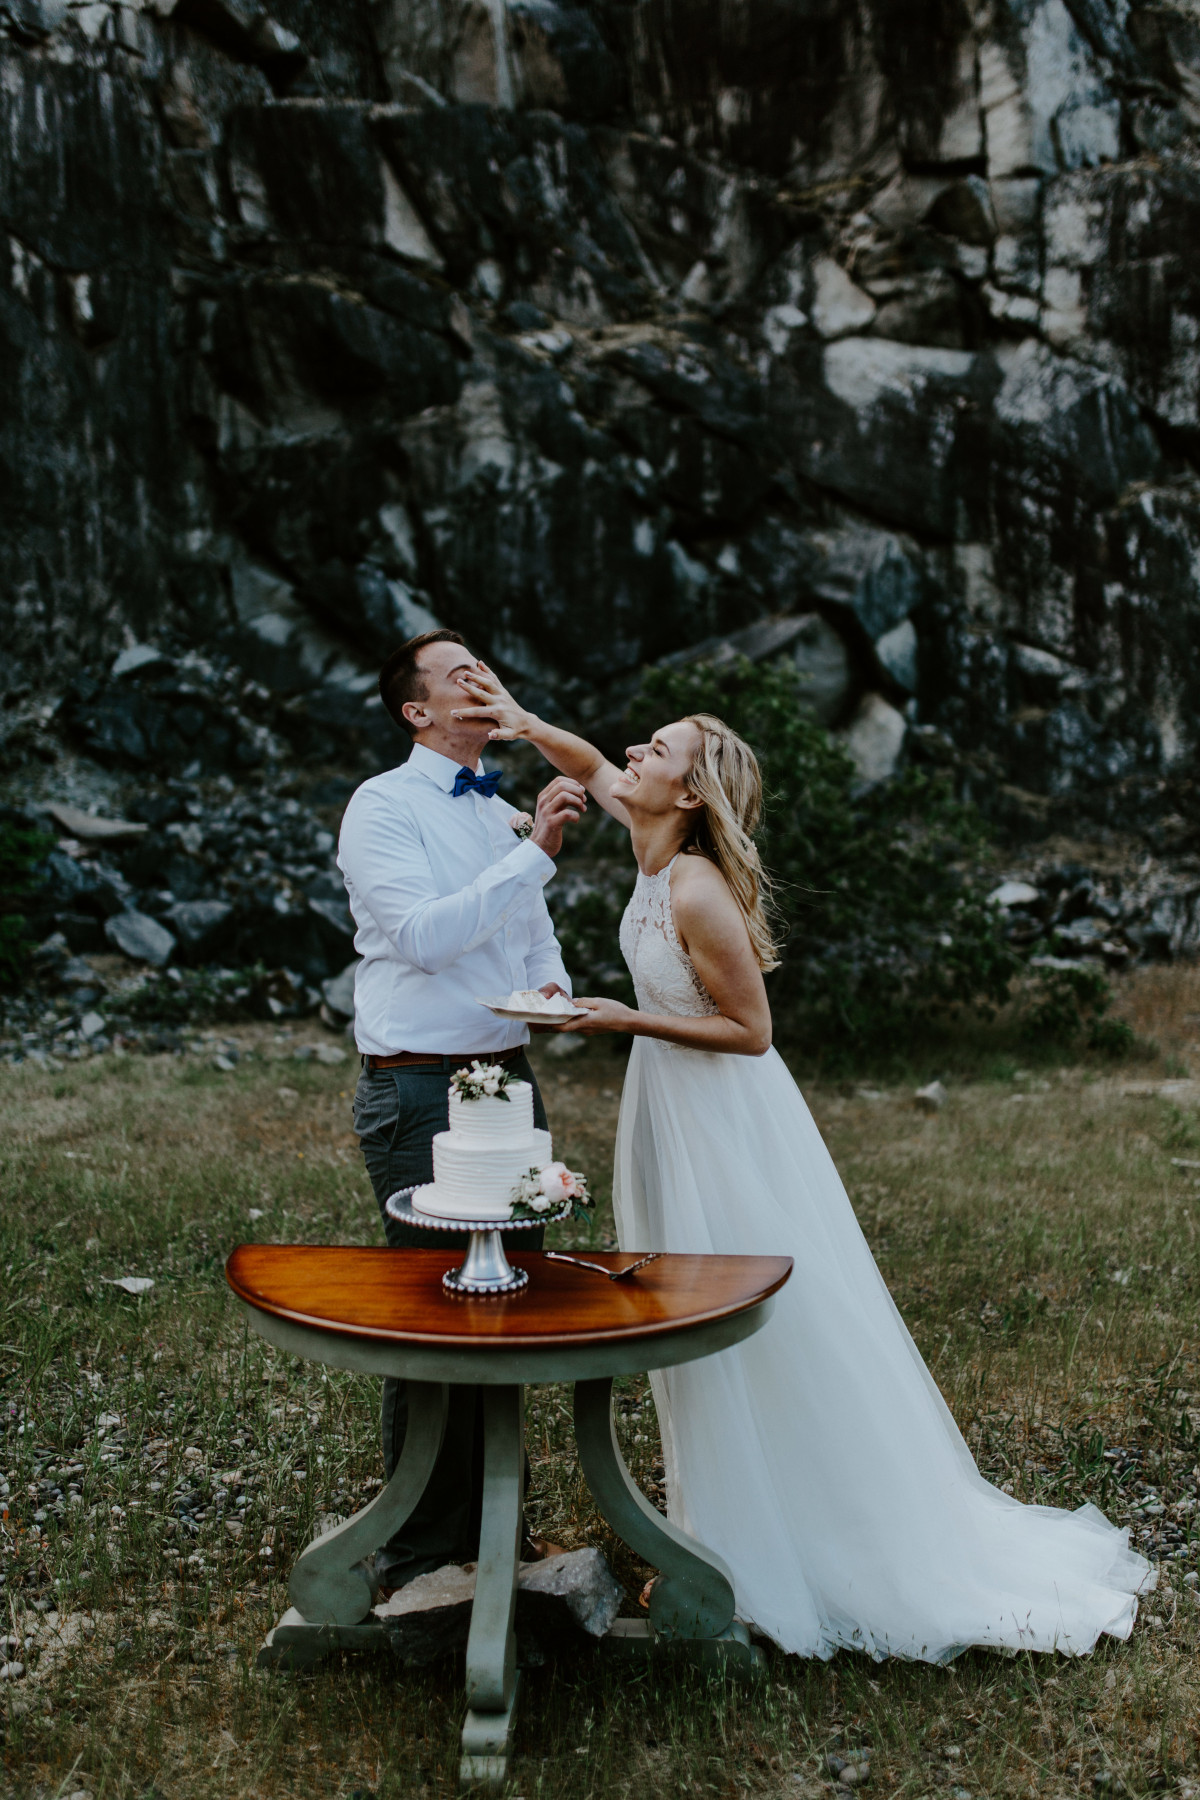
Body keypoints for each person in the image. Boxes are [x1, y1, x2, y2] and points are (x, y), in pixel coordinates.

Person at [450, 662, 1153, 1660]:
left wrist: (621, 1018)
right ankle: (715, 1533)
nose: (635, 754)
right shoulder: (652, 842)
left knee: (744, 1323)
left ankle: (787, 1552)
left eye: (661, 748)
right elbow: (593, 762)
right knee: (688, 1324)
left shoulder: (695, 890)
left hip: (725, 1123)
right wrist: (522, 721)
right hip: (671, 1110)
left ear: (689, 794)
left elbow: (751, 1031)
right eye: (644, 743)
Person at [337, 629, 586, 1592]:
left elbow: (530, 935)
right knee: (437, 1313)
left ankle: (496, 1527)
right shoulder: (381, 807)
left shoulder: (494, 812)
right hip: (417, 1086)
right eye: (459, 676)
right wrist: (541, 849)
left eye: (487, 667)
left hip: (506, 1079)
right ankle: (419, 1554)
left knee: (508, 1302)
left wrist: (553, 990)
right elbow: (427, 939)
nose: (482, 682)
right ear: (419, 712)